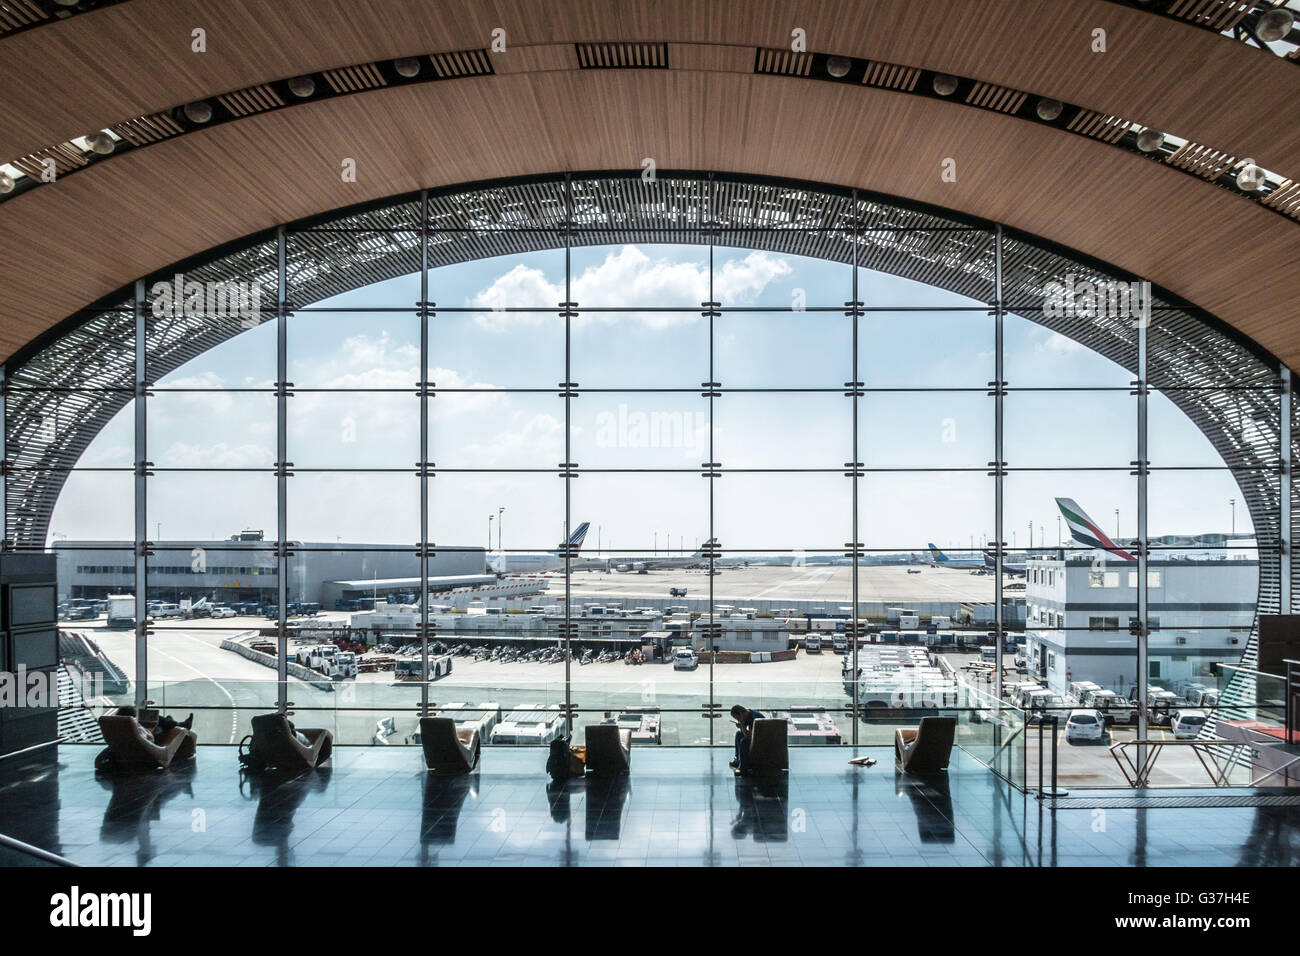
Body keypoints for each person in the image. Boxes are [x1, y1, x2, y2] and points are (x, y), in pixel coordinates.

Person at [115, 705, 193, 746]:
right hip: (152, 740)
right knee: (160, 722)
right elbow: (149, 739)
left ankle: (172, 721)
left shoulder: (119, 726)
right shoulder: (135, 727)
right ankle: (180, 724)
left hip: (136, 741)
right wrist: (151, 728)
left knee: (165, 720)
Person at [730, 704, 765, 775]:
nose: (738, 720)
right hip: (756, 736)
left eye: (737, 718)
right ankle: (738, 759)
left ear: (741, 714)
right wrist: (742, 726)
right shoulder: (749, 715)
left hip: (762, 738)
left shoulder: (754, 718)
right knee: (738, 734)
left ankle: (743, 767)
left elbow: (748, 736)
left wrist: (742, 725)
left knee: (744, 741)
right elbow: (748, 733)